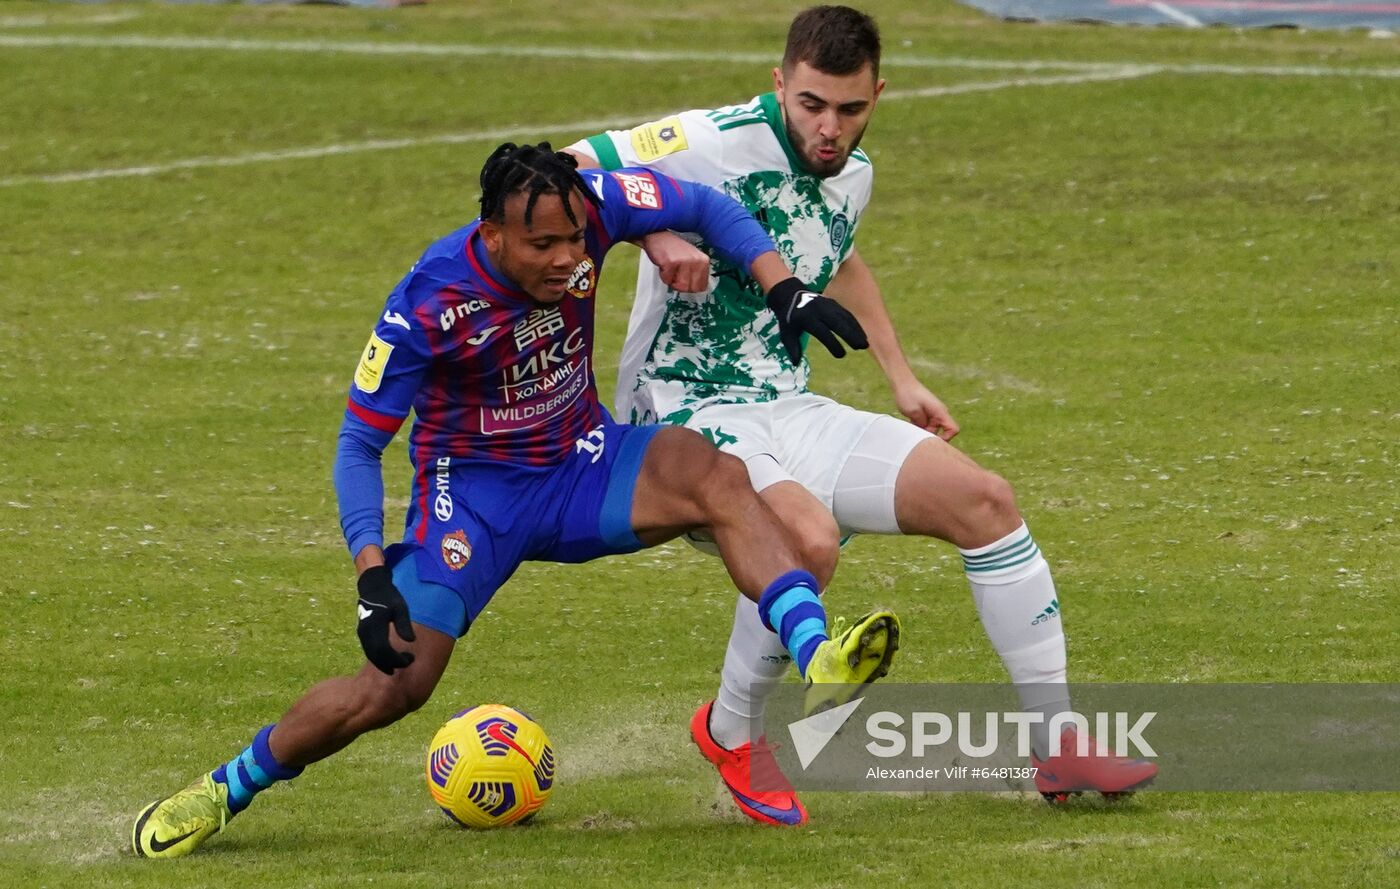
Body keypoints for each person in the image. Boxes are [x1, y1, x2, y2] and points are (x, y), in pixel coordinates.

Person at [131, 142, 900, 859]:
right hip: (473, 500)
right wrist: (371, 578)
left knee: (714, 473)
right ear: (491, 233)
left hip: (581, 463)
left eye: (575, 240)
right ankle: (225, 788)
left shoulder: (591, 204)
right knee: (398, 682)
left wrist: (784, 286)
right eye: (543, 247)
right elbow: (357, 447)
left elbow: (703, 204)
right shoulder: (427, 303)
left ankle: (816, 653)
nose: (568, 259)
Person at [566, 5, 1157, 826]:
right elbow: (560, 170)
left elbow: (837, 262)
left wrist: (902, 377)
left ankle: (1058, 744)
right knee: (805, 538)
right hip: (684, 412)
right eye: (811, 105)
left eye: (850, 109)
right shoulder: (708, 138)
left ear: (877, 93)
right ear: (780, 83)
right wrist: (654, 231)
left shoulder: (854, 174)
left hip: (786, 403)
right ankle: (732, 730)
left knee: (987, 502)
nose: (829, 128)